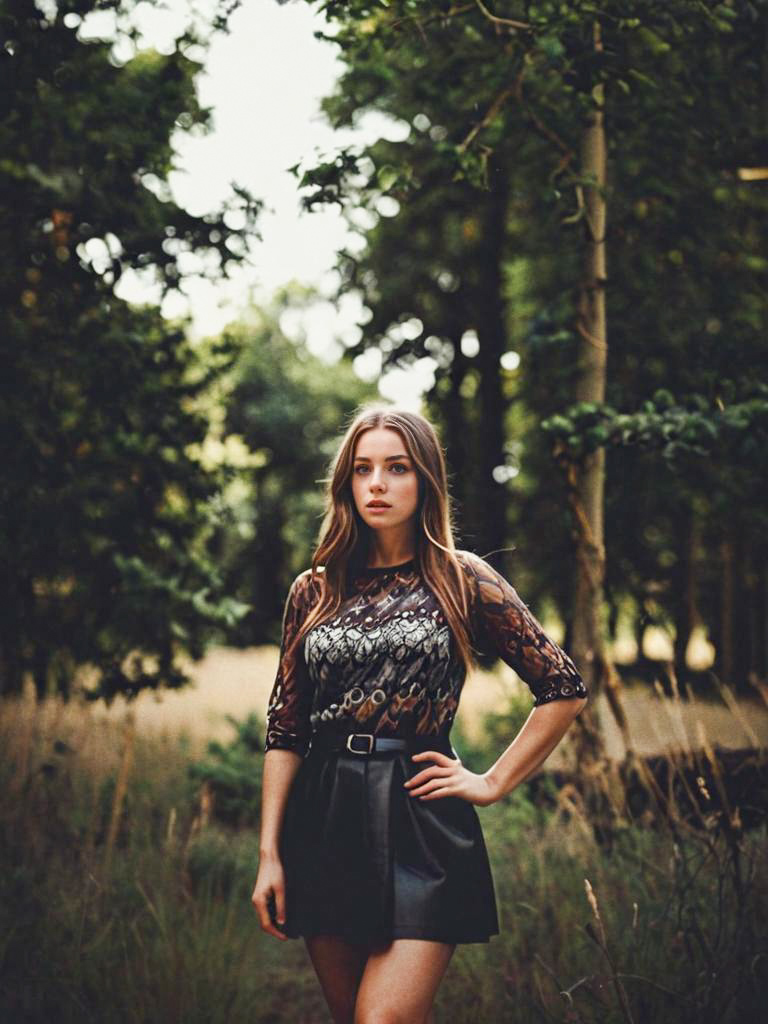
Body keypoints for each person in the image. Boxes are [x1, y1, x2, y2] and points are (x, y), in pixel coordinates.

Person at [252, 405, 588, 1024]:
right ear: (346, 484)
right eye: (363, 469)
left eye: (396, 468)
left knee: (381, 1018)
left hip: (420, 812)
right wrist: (270, 852)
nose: (376, 483)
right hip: (324, 814)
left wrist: (490, 783)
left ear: (425, 480)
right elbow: (286, 728)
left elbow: (562, 687)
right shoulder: (314, 589)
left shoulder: (463, 579)